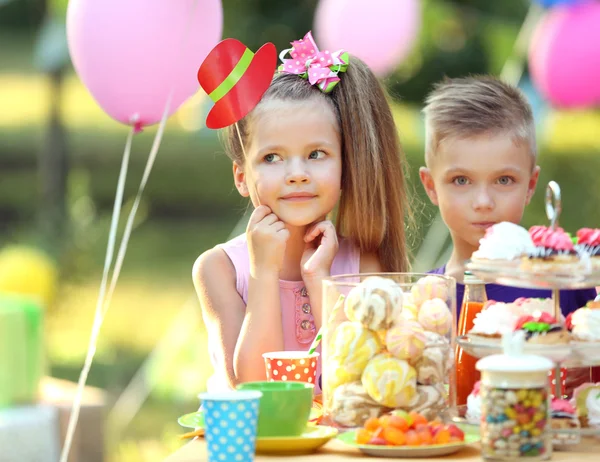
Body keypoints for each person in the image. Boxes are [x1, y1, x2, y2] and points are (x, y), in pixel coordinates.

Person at [193, 32, 412, 393]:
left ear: (346, 167)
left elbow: (364, 376)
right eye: (272, 157)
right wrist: (263, 273)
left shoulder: (364, 265)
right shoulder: (218, 269)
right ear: (242, 177)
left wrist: (320, 278)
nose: (297, 173)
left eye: (316, 154)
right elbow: (250, 389)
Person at [419, 76, 596, 317]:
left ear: (531, 185)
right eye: (461, 180)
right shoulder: (423, 300)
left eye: (503, 180)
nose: (483, 202)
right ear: (431, 186)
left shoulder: (564, 283)